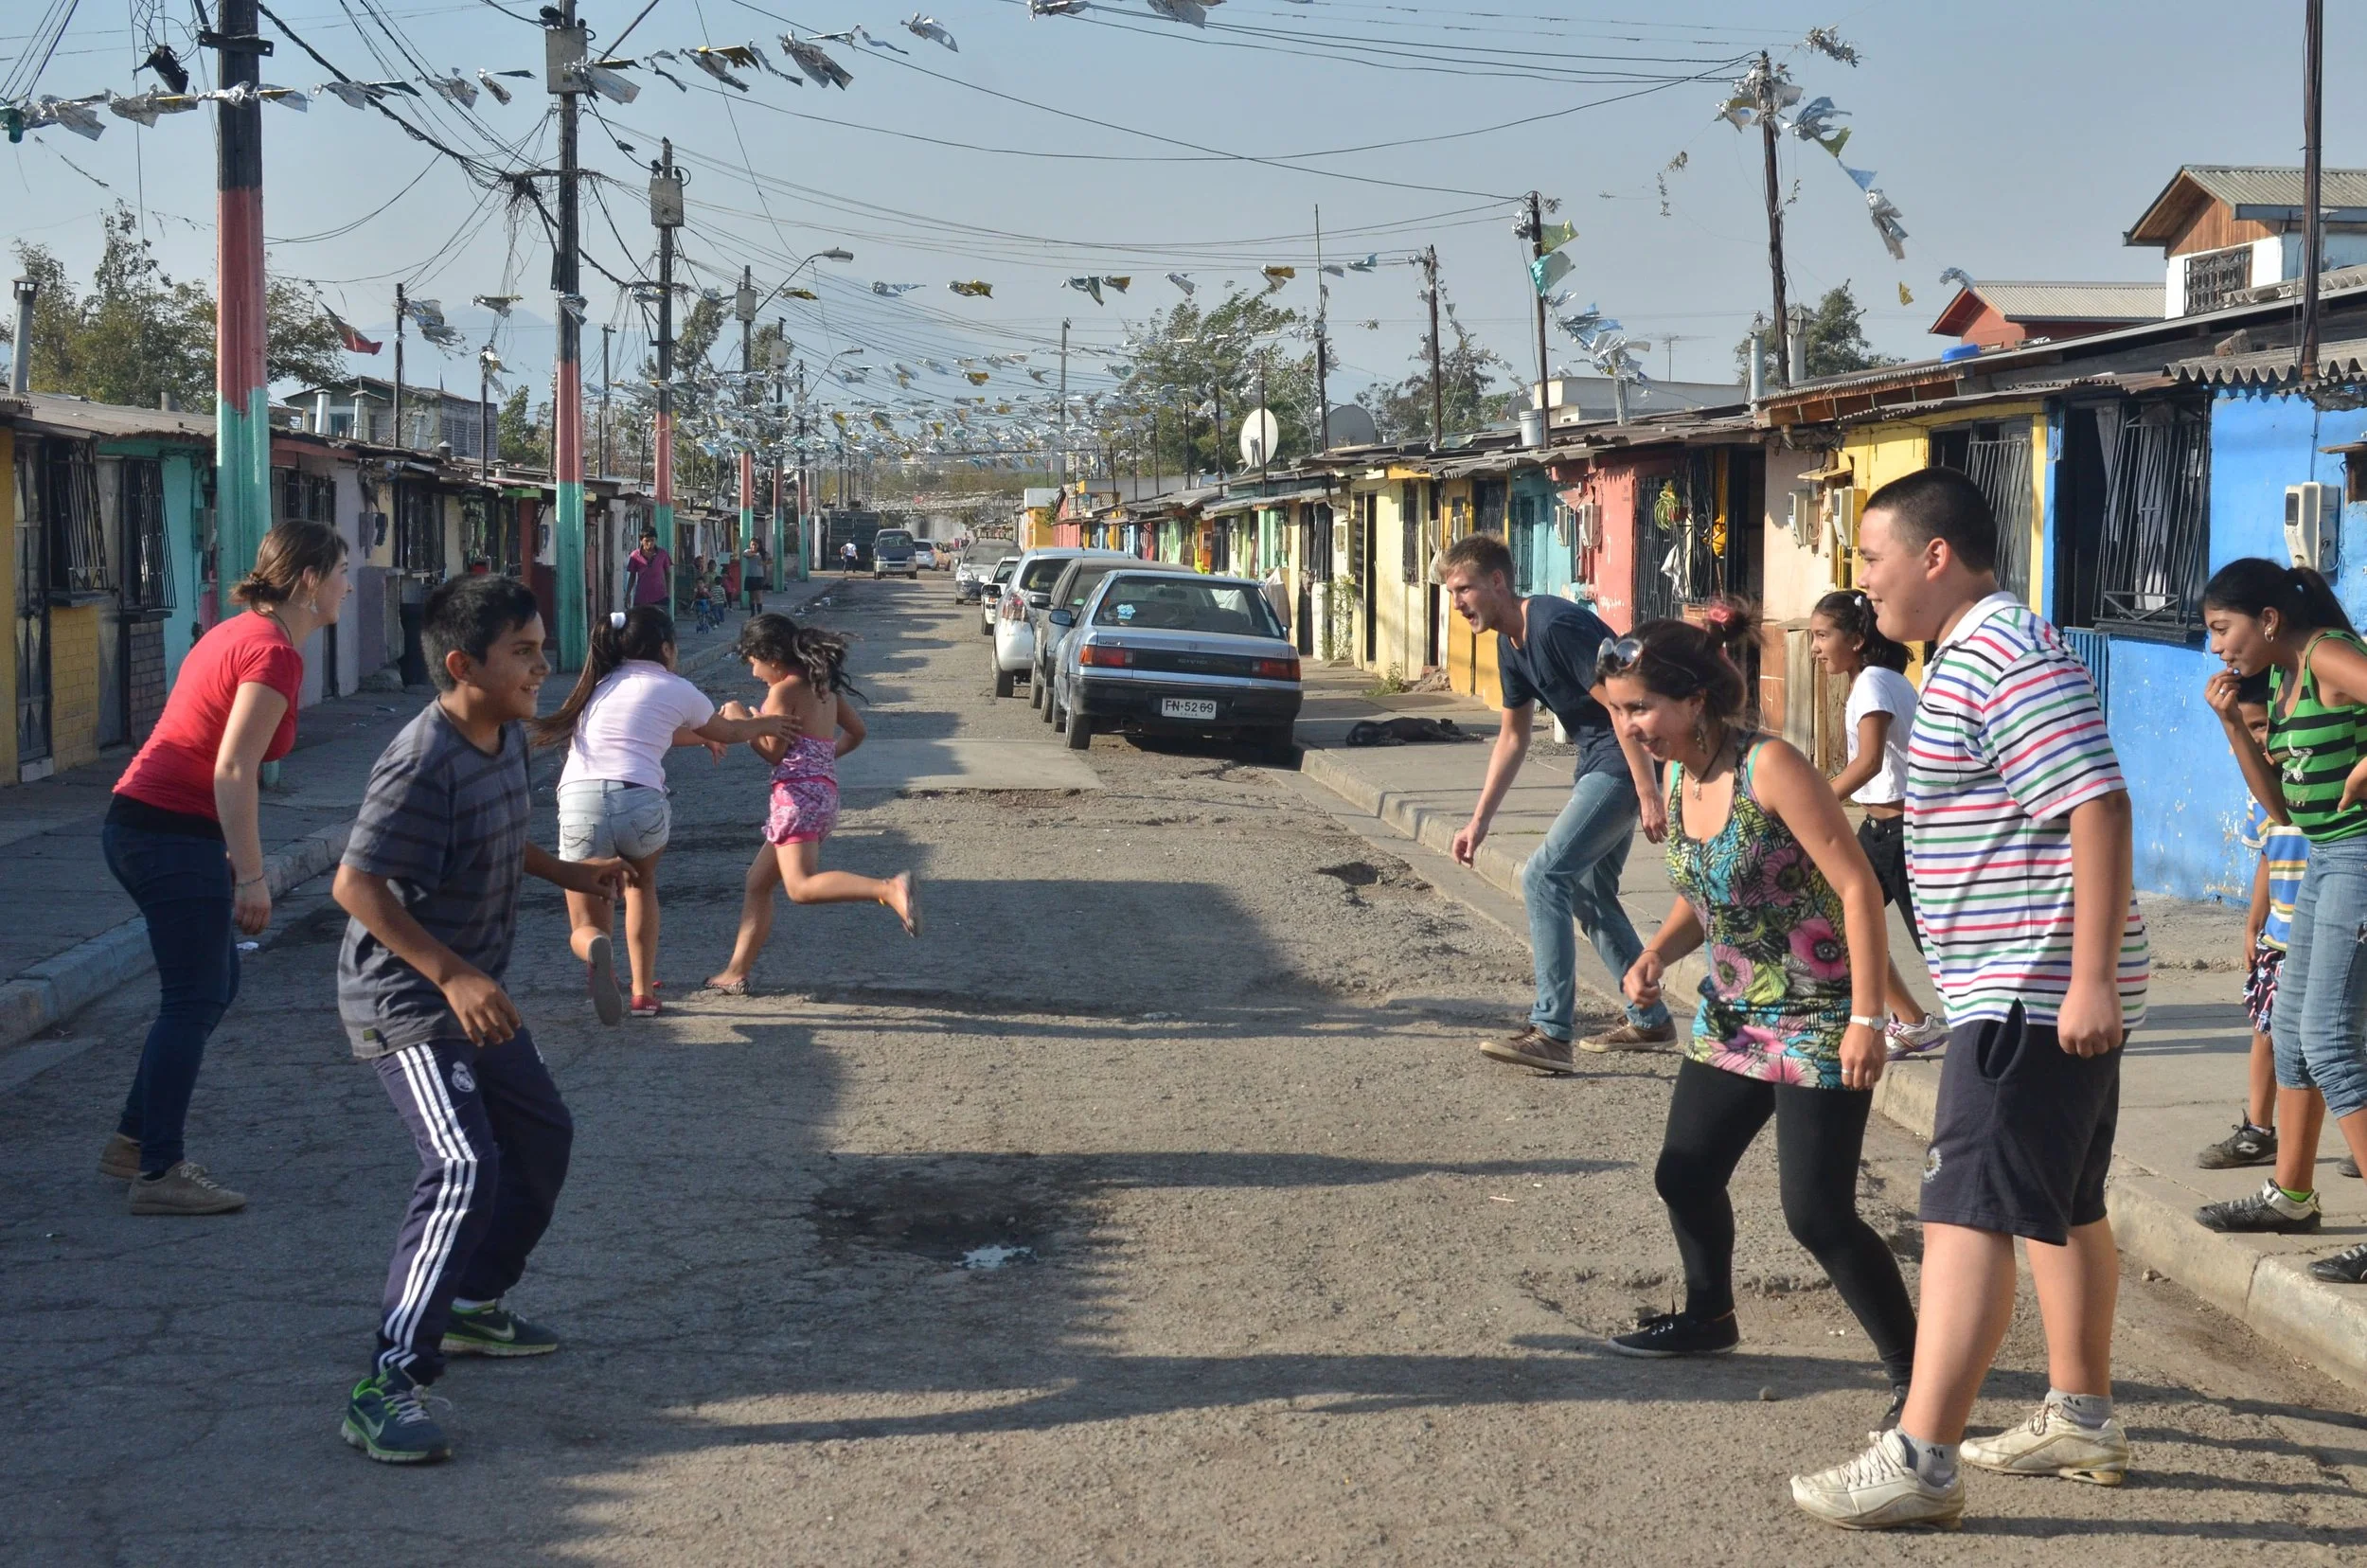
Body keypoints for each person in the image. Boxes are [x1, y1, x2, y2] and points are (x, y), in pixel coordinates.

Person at [1791, 467, 2146, 1531]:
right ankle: (2079, 1413)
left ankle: (1921, 1456)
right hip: (2030, 985)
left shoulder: (2000, 651)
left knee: (1964, 1213)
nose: (1862, 587)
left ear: (1934, 555)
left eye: (1871, 559)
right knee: (2061, 1204)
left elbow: (2098, 803)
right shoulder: (1973, 653)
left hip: (2029, 989)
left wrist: (2085, 980)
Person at [331, 576, 633, 1466]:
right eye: (525, 653)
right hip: (407, 1001)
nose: (544, 666)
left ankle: (470, 1302)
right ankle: (387, 1382)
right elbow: (357, 885)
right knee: (463, 1162)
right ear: (464, 665)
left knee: (542, 1136)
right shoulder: (421, 758)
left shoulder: (503, 736)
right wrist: (454, 974)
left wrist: (569, 875)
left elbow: (500, 833)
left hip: (470, 990)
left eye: (543, 648)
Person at [1595, 605, 1918, 1427]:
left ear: (1695, 699)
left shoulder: (1771, 766)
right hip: (1733, 1012)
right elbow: (1705, 892)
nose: (1631, 726)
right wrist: (1658, 954)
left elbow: (1856, 887)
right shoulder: (1678, 771)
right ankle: (1710, 1316)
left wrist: (1869, 1019)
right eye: (1622, 710)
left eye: (1641, 709)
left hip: (1818, 1012)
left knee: (1817, 1214)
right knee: (1686, 1172)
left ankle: (1917, 1377)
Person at [100, 520, 348, 1215]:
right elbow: (234, 768)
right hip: (166, 833)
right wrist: (252, 874)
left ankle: (133, 1140)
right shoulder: (273, 652)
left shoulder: (240, 632)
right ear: (308, 581)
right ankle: (159, 1173)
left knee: (213, 982)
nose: (347, 585)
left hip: (148, 827)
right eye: (340, 571)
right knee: (195, 995)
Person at [1439, 533, 1674, 1071]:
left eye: (1464, 589)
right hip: (1597, 759)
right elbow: (1513, 739)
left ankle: (1551, 1030)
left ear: (1497, 582)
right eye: (1451, 593)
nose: (1457, 603)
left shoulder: (1552, 624)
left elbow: (1621, 707)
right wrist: (1478, 823)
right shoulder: (1509, 643)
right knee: (1588, 891)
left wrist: (1648, 792)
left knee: (1544, 877)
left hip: (1625, 756)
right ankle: (1650, 1018)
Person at [2192, 559, 2367, 1273]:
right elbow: (2285, 809)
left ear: (2268, 620)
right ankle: (2291, 1195)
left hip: (2361, 855)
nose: (2216, 647)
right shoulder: (2288, 682)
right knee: (2290, 1030)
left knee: (2328, 1036)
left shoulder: (2328, 651)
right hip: (2327, 854)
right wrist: (2234, 724)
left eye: (2221, 628)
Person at [531, 607, 790, 1021]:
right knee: (640, 886)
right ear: (666, 648)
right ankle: (641, 992)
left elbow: (646, 732)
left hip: (581, 802)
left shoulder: (593, 687)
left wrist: (698, 740)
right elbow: (729, 731)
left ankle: (598, 954)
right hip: (638, 802)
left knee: (585, 922)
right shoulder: (675, 687)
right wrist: (769, 724)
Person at [707, 614, 918, 994]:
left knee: (801, 887)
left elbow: (773, 753)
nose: (753, 672)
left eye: (753, 662)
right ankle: (734, 971)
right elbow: (858, 732)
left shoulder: (783, 692)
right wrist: (821, 761)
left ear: (771, 658)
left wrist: (743, 721)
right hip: (822, 794)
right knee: (757, 883)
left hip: (796, 799)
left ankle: (888, 889)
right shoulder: (825, 690)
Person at [1808, 589, 1949, 1059]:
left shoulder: (1872, 682)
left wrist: (1809, 803)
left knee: (1941, 947)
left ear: (1858, 638)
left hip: (1902, 834)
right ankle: (1910, 1020)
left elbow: (1868, 762)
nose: (1814, 647)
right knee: (1840, 917)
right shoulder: (1882, 677)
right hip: (1880, 831)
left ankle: (2003, 1023)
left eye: (1823, 635)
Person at [2193, 672, 2308, 1171]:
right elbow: (2267, 858)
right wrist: (2252, 925)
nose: (2259, 739)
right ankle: (2259, 1131)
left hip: (2330, 932)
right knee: (2267, 1033)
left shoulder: (2319, 781)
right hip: (2279, 936)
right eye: (2248, 728)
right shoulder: (2258, 794)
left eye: (2264, 726)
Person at [624, 526, 672, 611]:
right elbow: (632, 577)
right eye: (647, 541)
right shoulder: (635, 556)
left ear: (656, 540)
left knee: (660, 623)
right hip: (642, 598)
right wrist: (627, 594)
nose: (650, 543)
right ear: (641, 541)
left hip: (660, 598)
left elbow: (668, 574)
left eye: (652, 540)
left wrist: (668, 593)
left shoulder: (662, 554)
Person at [742, 541, 768, 615]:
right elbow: (745, 554)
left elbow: (771, 560)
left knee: (758, 596)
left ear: (758, 545)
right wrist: (755, 553)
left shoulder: (762, 553)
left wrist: (763, 562)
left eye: (755, 545)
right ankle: (752, 613)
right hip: (750, 576)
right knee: (751, 597)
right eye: (752, 545)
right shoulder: (748, 551)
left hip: (759, 577)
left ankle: (759, 613)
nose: (753, 546)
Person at [721, 550, 742, 618]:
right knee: (725, 597)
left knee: (728, 598)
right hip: (725, 587)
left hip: (728, 588)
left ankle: (729, 607)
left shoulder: (730, 571)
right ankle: (727, 607)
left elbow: (732, 581)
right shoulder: (725, 571)